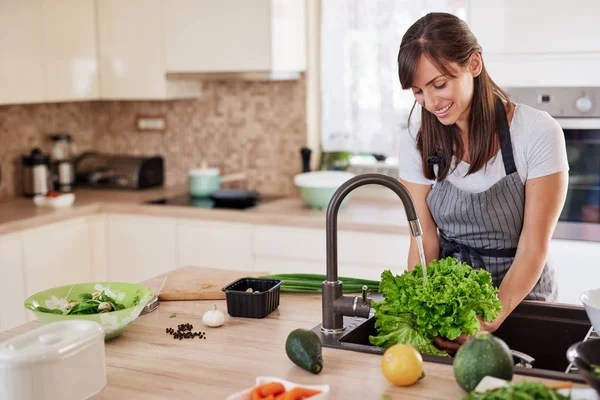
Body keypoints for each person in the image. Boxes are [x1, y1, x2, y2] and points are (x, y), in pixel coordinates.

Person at [396, 12, 569, 351]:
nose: (430, 104)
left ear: (474, 63)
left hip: (522, 302)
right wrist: (425, 310)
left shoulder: (536, 132)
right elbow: (424, 240)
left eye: (439, 84)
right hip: (452, 304)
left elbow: (534, 246)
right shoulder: (417, 137)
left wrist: (486, 319)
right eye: (418, 91)